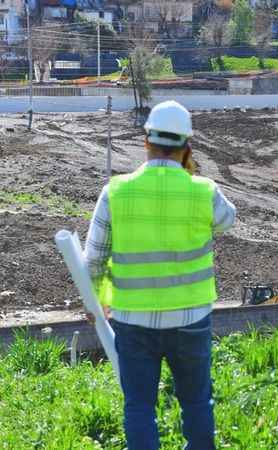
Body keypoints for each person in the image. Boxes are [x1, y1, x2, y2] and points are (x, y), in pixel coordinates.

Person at [84, 100, 236, 450]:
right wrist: (192, 174)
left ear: (145, 142)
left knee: (139, 406)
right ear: (187, 147)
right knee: (196, 401)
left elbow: (93, 261)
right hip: (191, 318)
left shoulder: (115, 192)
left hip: (133, 321)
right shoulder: (204, 191)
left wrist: (96, 304)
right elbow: (228, 219)